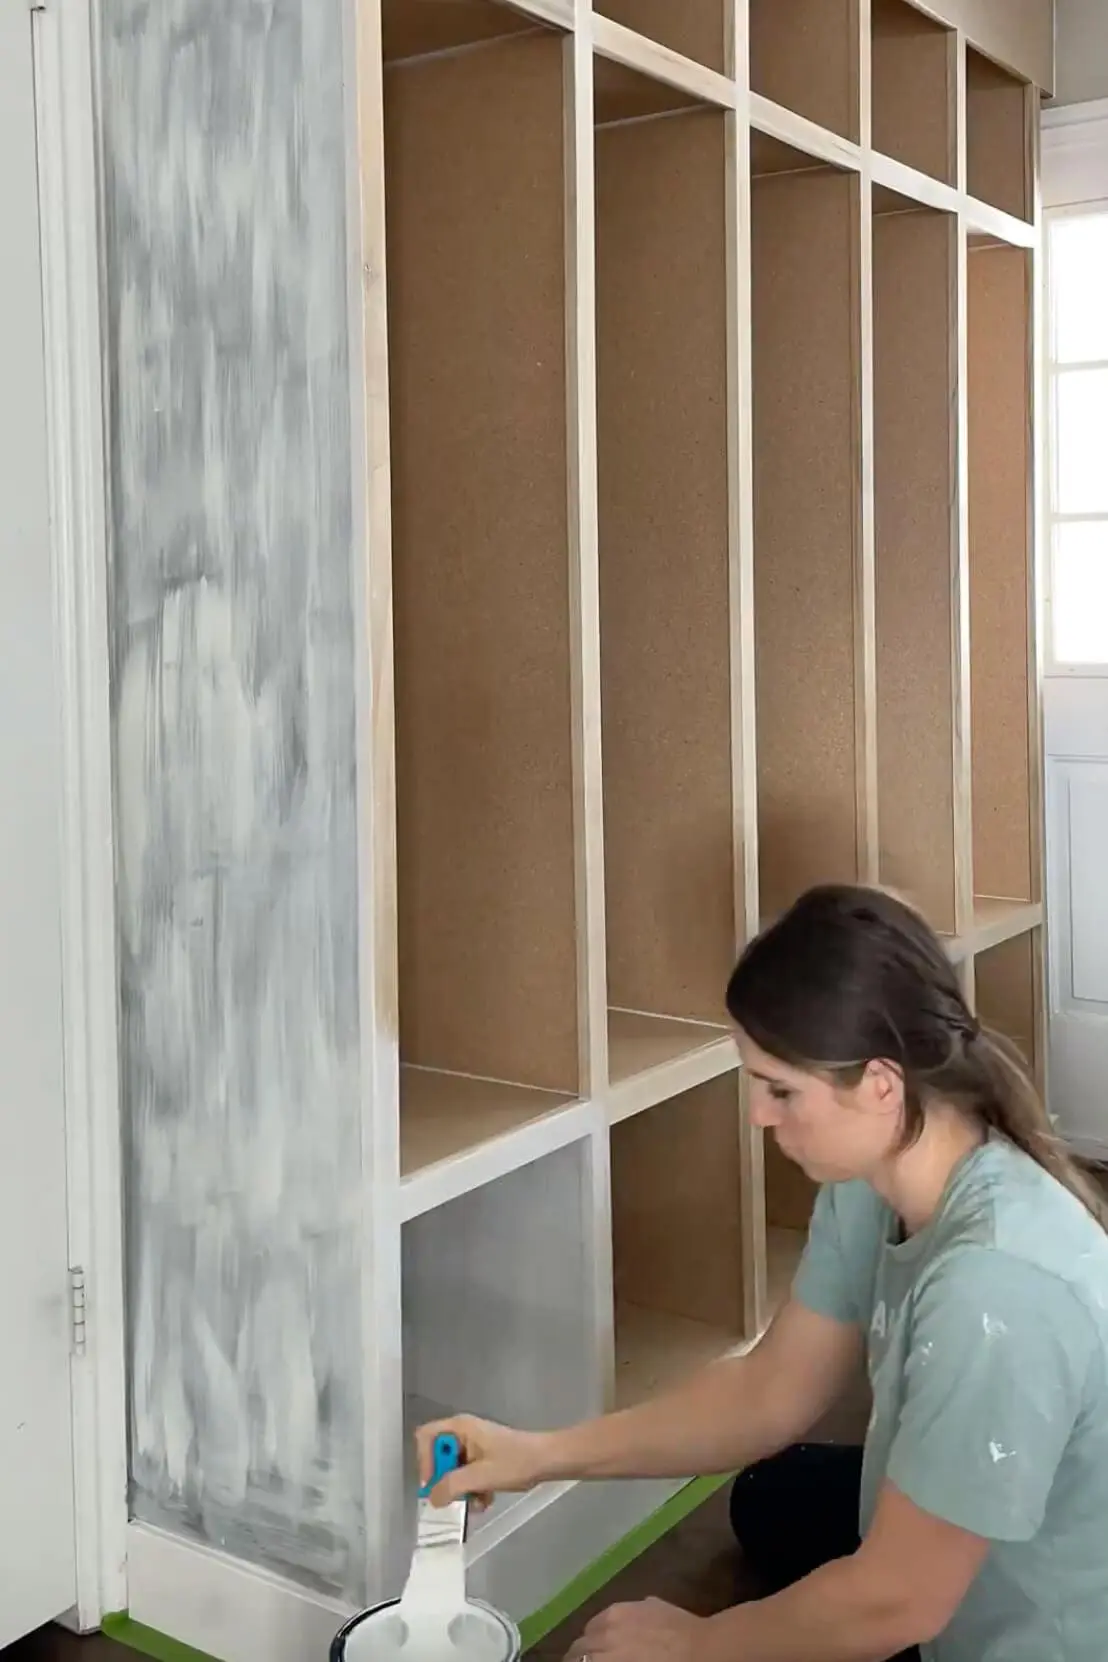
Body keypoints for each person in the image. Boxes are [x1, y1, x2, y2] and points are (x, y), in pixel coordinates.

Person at [417, 884, 1108, 1662]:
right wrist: (540, 1454)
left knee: (843, 1592)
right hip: (958, 1558)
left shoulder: (1000, 1286)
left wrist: (698, 1646)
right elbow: (772, 1388)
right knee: (770, 1496)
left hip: (1036, 1631)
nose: (758, 1115)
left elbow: (900, 1602)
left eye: (781, 1090)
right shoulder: (878, 1173)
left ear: (882, 1084)